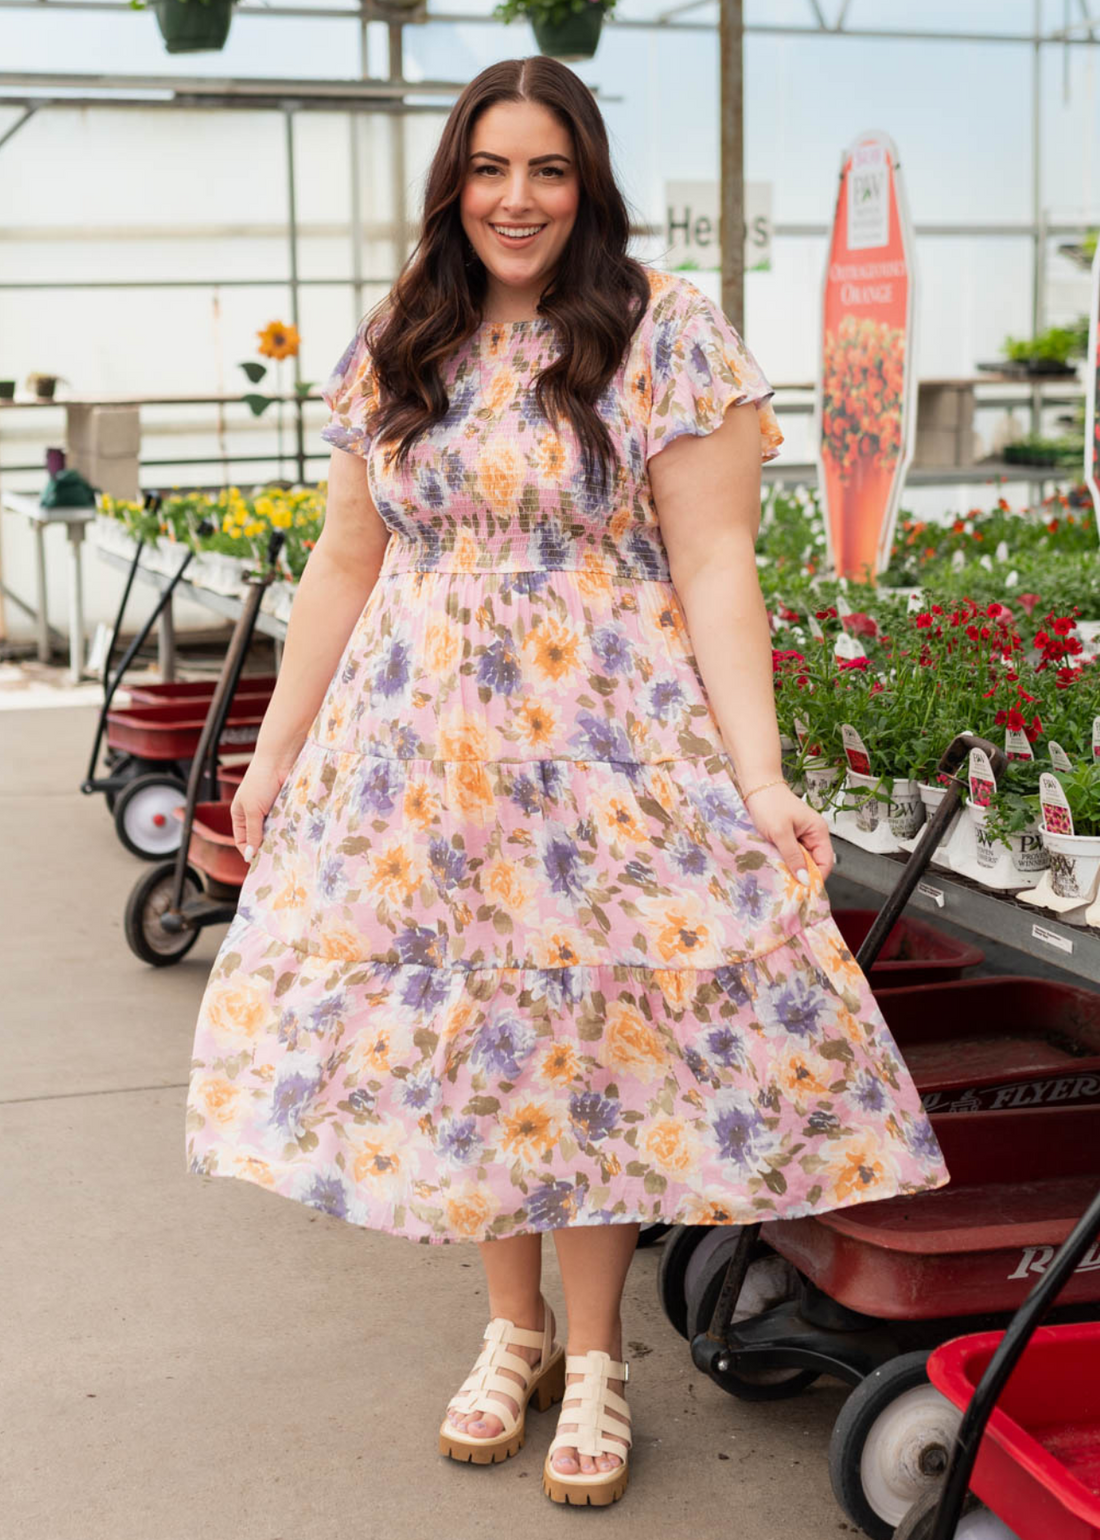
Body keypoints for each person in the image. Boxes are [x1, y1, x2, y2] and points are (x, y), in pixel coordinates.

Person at [185, 55, 949, 1510]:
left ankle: (593, 1358)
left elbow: (716, 562)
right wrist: (273, 753)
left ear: (587, 181)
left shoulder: (663, 330)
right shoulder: (404, 335)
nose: (517, 199)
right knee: (481, 1030)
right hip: (421, 756)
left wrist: (761, 775)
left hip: (601, 753)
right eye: (490, 169)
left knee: (591, 1038)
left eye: (547, 169)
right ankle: (512, 1332)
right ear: (454, 185)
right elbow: (345, 557)